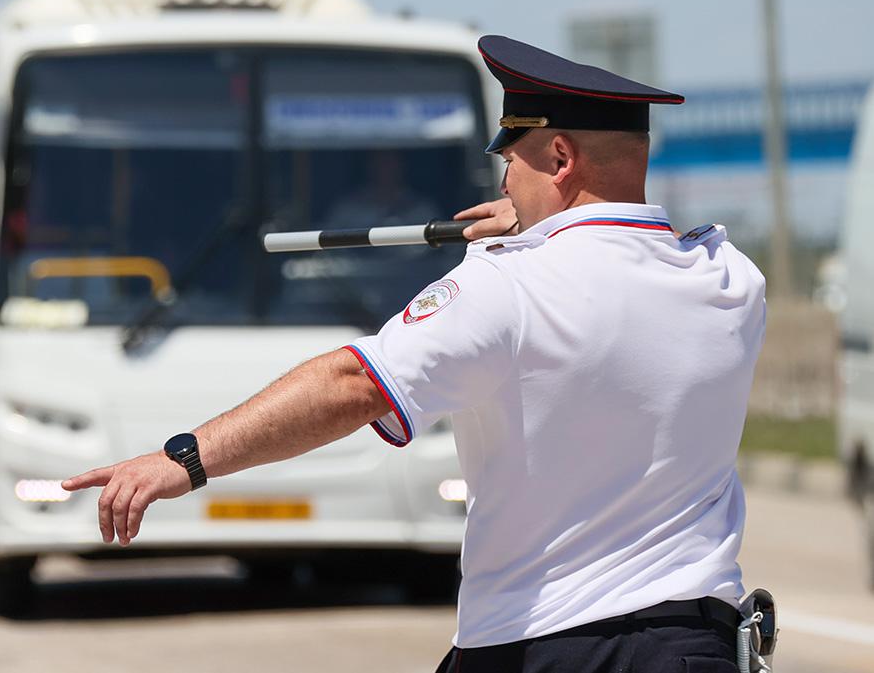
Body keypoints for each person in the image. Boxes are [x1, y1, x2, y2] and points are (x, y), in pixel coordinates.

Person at [62, 35, 766, 672]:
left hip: (546, 646)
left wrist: (184, 456)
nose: (501, 183)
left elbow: (353, 383)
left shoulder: (507, 285)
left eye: (510, 158)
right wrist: (549, 221)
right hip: (696, 648)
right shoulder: (730, 279)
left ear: (559, 157)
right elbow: (632, 250)